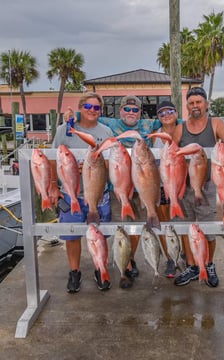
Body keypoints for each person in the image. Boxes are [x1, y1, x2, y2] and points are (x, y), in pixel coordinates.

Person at [173, 87, 224, 288]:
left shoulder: (215, 123)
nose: (195, 106)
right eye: (191, 103)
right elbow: (170, 152)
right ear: (187, 107)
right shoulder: (181, 128)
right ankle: (192, 266)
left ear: (206, 104)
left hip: (208, 185)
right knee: (186, 228)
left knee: (208, 229)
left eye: (198, 102)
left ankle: (208, 264)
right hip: (186, 186)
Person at [49, 92, 114, 293]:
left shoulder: (106, 131)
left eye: (96, 108)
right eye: (88, 107)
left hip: (98, 193)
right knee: (72, 235)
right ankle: (74, 271)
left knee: (99, 235)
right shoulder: (65, 129)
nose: (92, 111)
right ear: (80, 107)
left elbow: (112, 162)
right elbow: (53, 158)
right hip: (71, 194)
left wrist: (92, 166)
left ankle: (99, 268)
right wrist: (52, 184)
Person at [99, 95, 162, 289]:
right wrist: (70, 115)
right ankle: (125, 271)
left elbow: (175, 119)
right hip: (119, 188)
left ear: (140, 112)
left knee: (137, 229)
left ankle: (130, 258)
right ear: (120, 110)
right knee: (122, 227)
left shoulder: (148, 124)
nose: (131, 113)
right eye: (127, 109)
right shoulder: (110, 123)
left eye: (135, 110)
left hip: (143, 186)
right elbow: (84, 114)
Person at [150, 100, 182, 278]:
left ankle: (183, 254)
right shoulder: (155, 136)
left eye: (170, 111)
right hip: (162, 186)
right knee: (163, 223)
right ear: (158, 117)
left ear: (176, 113)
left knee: (182, 223)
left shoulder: (184, 131)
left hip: (180, 184)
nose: (166, 115)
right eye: (161, 113)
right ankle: (170, 258)